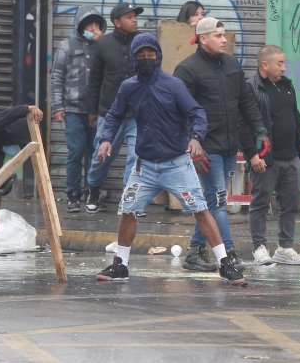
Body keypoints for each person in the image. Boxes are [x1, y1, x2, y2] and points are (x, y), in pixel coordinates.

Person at [93, 33, 245, 285]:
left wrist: (196, 138)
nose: (146, 59)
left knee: (200, 209)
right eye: (140, 55)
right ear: (133, 57)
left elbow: (197, 113)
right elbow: (113, 115)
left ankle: (225, 264)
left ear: (158, 55)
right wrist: (106, 139)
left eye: (150, 54)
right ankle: (120, 265)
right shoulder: (129, 87)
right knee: (128, 210)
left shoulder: (173, 85)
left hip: (177, 163)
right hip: (145, 166)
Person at [174, 17, 268, 272]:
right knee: (218, 201)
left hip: (229, 146)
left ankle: (195, 250)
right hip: (206, 149)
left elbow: (246, 101)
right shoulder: (187, 70)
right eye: (218, 35)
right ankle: (228, 254)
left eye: (224, 35)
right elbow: (180, 113)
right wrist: (192, 142)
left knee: (210, 200)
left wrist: (259, 128)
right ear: (203, 39)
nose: (224, 40)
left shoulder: (231, 65)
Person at [242, 45, 300, 265]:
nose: (284, 67)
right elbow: (245, 125)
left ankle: (285, 247)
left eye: (284, 62)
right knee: (260, 203)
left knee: (291, 202)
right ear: (265, 65)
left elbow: (294, 116)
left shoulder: (286, 86)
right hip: (266, 159)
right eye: (279, 63)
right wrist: (253, 154)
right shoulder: (251, 88)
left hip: (290, 156)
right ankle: (259, 247)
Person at [84, 2, 142, 214]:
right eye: (129, 17)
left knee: (137, 157)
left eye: (135, 16)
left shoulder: (142, 42)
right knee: (102, 156)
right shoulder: (103, 44)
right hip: (110, 112)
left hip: (138, 113)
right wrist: (92, 110)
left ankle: (128, 199)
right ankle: (93, 191)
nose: (134, 19)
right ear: (117, 22)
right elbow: (95, 80)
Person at [51, 5, 106, 212]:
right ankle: (72, 194)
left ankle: (91, 192)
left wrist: (103, 43)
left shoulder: (103, 46)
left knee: (96, 154)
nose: (93, 28)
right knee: (75, 152)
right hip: (73, 110)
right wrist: (58, 106)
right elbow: (57, 77)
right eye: (88, 24)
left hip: (97, 111)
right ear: (80, 25)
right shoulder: (67, 46)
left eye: (96, 24)